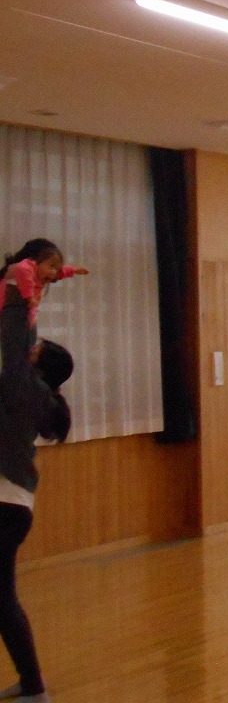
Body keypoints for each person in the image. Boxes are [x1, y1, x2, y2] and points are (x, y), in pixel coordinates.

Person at [0, 281, 75, 703]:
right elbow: (19, 347)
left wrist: (16, 297)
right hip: (10, 506)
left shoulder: (27, 391)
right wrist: (30, 305)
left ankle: (34, 688)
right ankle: (32, 685)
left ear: (41, 370)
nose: (31, 350)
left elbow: (14, 350)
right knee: (3, 598)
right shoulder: (28, 392)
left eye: (37, 350)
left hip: (4, 507)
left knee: (3, 599)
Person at [1, 240, 89, 329]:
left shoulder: (39, 273)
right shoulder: (23, 269)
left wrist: (74, 270)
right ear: (37, 260)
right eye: (51, 266)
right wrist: (29, 297)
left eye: (56, 269)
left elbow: (60, 272)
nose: (53, 272)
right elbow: (24, 275)